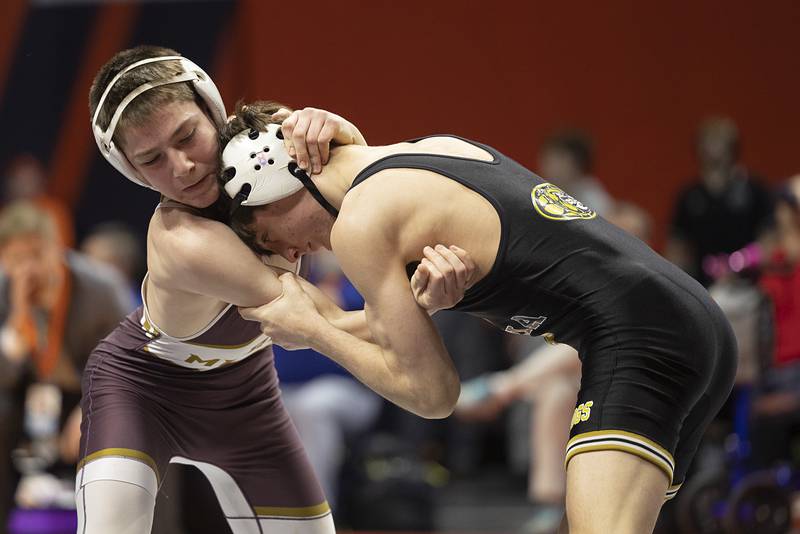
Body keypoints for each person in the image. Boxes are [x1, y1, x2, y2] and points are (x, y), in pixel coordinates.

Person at [223, 102, 738, 534]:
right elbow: (396, 322)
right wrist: (376, 313)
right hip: (692, 319)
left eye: (270, 237)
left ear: (277, 184)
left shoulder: (361, 222)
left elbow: (433, 394)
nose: (292, 254)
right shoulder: (433, 149)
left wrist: (314, 330)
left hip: (642, 340)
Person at [82, 45, 471, 534]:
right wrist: (420, 299)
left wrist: (344, 137)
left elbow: (363, 195)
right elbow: (322, 324)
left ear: (212, 109)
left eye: (187, 136)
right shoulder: (183, 241)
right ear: (131, 172)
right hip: (142, 391)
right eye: (152, 159)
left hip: (247, 392)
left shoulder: (269, 141)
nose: (181, 166)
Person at [0, 201, 132, 529]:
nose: (27, 269)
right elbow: (4, 377)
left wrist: (91, 406)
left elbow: (129, 361)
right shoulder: (4, 290)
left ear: (57, 246)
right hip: (34, 397)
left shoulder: (101, 286)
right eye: (16, 259)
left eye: (35, 255)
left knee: (125, 418)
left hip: (94, 391)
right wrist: (17, 317)